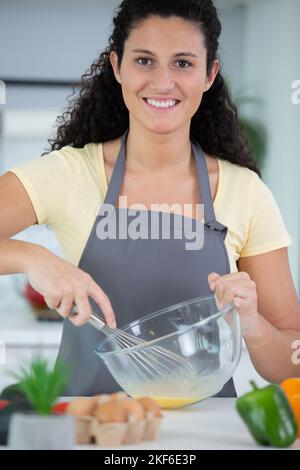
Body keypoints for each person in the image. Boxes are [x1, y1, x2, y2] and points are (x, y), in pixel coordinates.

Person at [0, 0, 299, 396]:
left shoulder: (245, 192)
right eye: (144, 61)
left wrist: (254, 325)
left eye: (183, 63)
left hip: (205, 436)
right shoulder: (69, 174)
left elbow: (291, 363)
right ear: (117, 66)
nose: (162, 82)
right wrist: (31, 258)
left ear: (209, 75)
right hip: (91, 430)